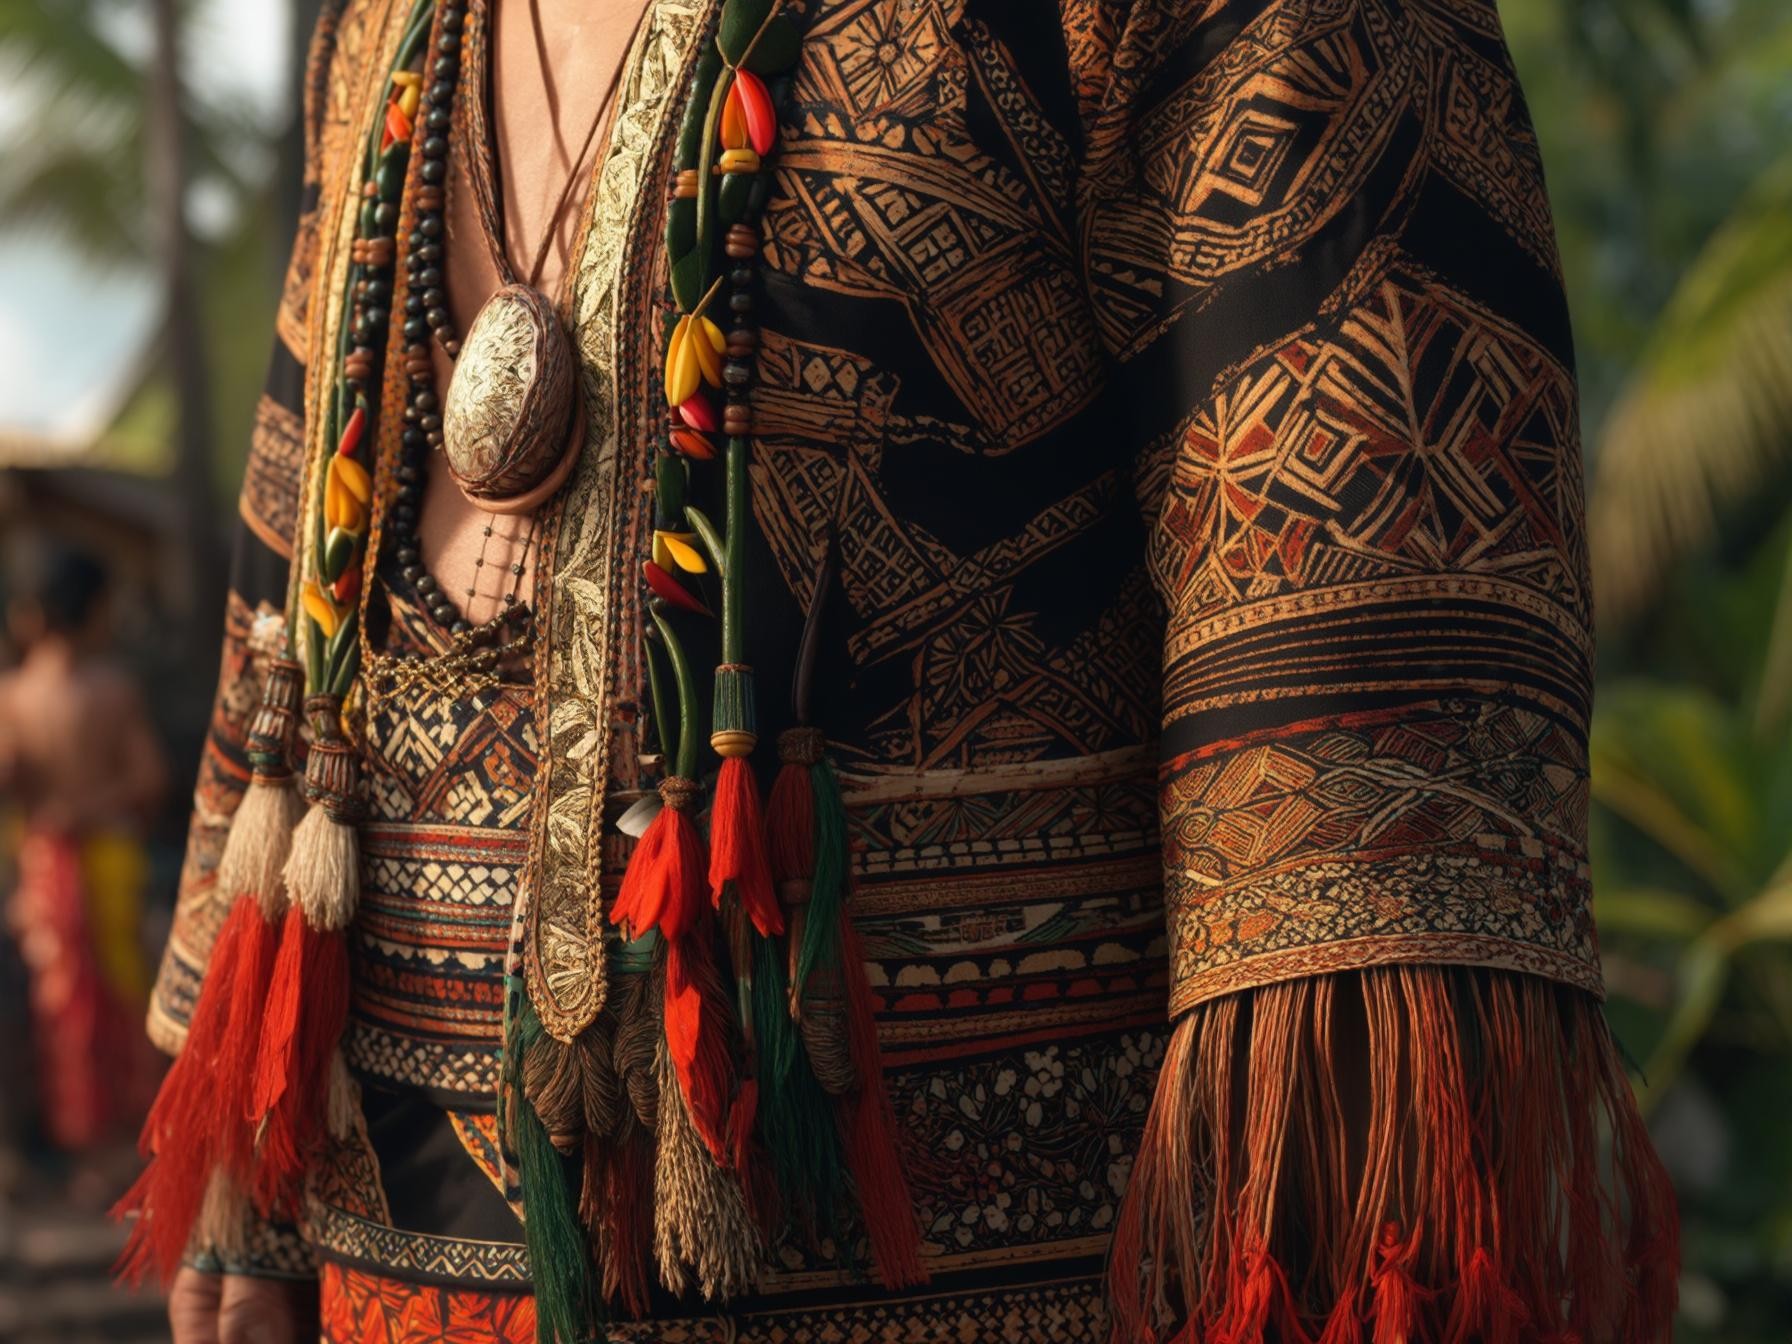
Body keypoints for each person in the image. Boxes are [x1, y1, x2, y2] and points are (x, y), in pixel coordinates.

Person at [122, 1, 1680, 1342]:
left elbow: (1363, 777)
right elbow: (292, 602)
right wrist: (241, 1192)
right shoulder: (392, 32)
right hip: (384, 1277)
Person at [0, 544, 166, 1182]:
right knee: (123, 990)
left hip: (44, 865)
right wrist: (91, 804)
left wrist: (54, 805)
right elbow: (148, 780)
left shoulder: (14, 695)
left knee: (60, 1001)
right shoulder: (111, 688)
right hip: (107, 858)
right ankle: (131, 1138)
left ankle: (80, 1146)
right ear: (94, 612)